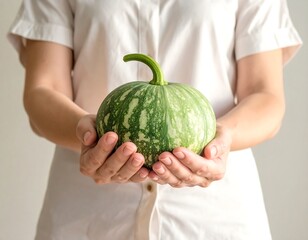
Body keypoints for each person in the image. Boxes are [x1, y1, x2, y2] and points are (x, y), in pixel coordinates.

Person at [8, 1, 302, 239]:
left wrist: (222, 139)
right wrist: (84, 133)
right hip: (87, 212)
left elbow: (266, 96)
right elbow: (42, 91)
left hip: (213, 216)